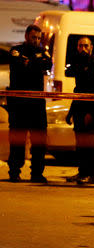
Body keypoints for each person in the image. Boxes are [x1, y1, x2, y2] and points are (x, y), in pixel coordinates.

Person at [7, 24, 52, 183]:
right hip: (19, 104)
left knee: (39, 140)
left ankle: (37, 173)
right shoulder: (16, 50)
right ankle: (14, 171)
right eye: (34, 37)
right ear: (26, 36)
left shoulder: (43, 52)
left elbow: (48, 64)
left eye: (39, 38)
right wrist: (35, 62)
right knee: (17, 139)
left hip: (36, 104)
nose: (36, 41)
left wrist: (29, 63)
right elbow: (17, 64)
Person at [65, 37, 94, 184]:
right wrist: (70, 112)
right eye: (80, 46)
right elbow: (78, 91)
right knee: (80, 144)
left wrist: (92, 113)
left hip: (90, 110)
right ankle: (82, 172)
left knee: (91, 144)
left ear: (91, 47)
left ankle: (92, 174)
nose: (83, 48)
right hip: (78, 108)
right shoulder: (77, 63)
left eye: (86, 46)